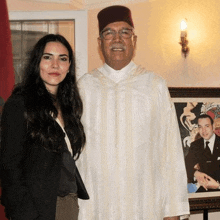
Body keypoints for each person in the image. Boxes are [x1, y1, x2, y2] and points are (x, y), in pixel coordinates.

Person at [77, 5, 189, 220]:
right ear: (99, 43)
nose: (117, 39)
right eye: (109, 33)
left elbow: (170, 152)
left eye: (125, 32)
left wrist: (173, 211)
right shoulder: (83, 88)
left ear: (134, 41)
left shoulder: (154, 85)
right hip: (96, 208)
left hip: (146, 206)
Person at [0, 34, 89, 220]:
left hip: (68, 204)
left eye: (62, 59)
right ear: (37, 63)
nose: (55, 65)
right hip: (35, 209)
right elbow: (10, 167)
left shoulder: (69, 106)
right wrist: (25, 214)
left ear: (69, 66)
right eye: (47, 57)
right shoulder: (19, 104)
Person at [185, 114, 220, 192]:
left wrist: (218, 186)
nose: (203, 131)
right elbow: (186, 165)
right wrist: (195, 173)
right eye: (200, 127)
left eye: (207, 126)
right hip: (202, 191)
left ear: (213, 126)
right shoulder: (195, 145)